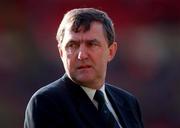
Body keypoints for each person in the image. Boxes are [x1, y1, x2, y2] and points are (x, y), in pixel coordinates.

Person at [24, 8, 144, 128]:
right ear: (61, 52)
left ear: (111, 51)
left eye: (92, 44)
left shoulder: (128, 102)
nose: (82, 55)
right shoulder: (46, 103)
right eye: (72, 45)